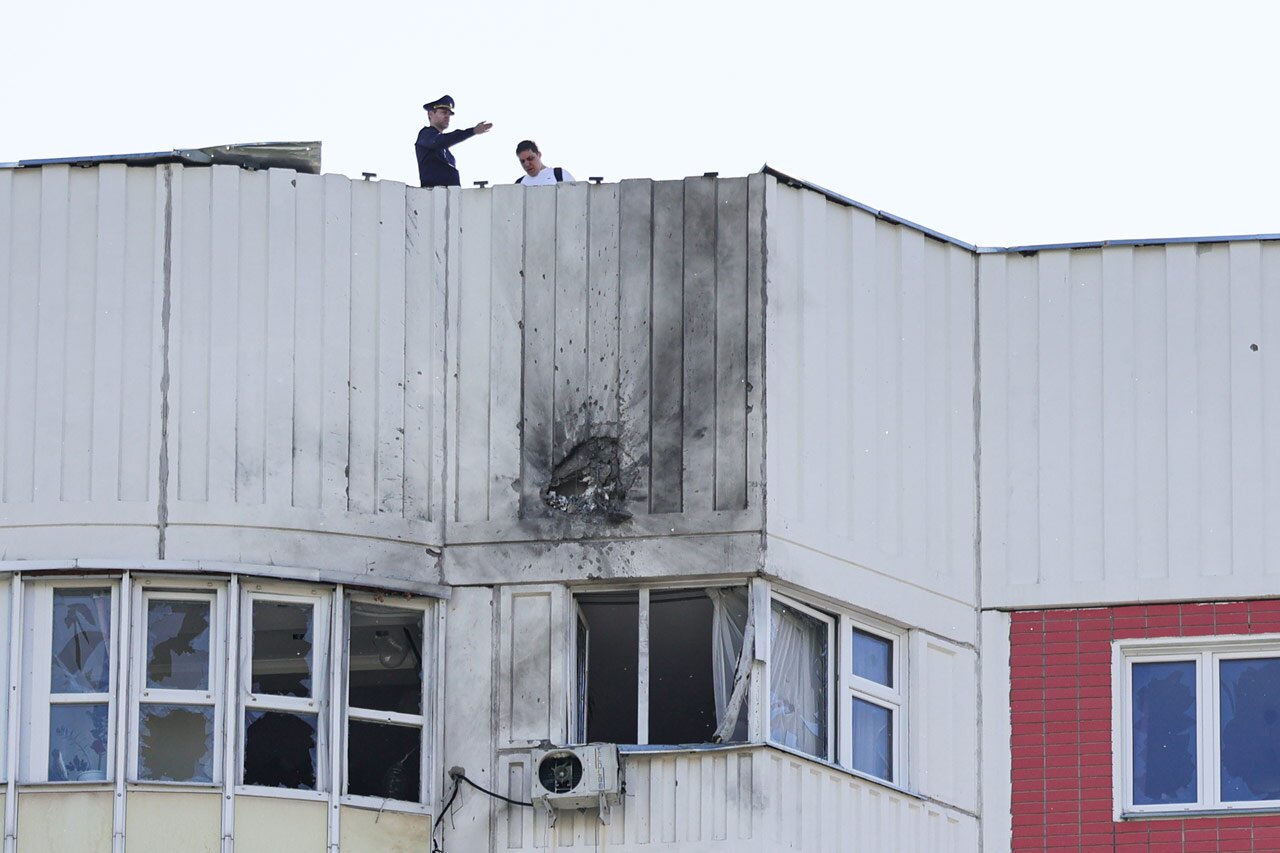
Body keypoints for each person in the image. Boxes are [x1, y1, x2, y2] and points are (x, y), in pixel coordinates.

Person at [415, 95, 492, 188]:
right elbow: (442, 141)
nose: (447, 116)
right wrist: (472, 131)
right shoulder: (426, 135)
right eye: (443, 112)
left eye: (449, 114)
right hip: (433, 196)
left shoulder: (445, 150)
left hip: (449, 196)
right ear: (431, 114)